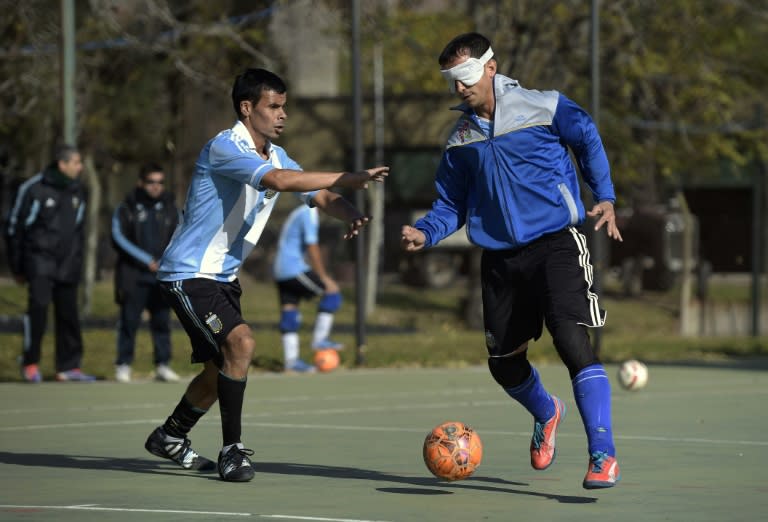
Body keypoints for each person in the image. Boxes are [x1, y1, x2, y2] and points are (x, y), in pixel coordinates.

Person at [400, 32, 624, 489]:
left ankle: (603, 453)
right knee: (504, 363)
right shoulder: (460, 139)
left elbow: (587, 138)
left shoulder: (544, 106)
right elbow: (452, 206)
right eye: (450, 79)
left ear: (490, 67)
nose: (459, 87)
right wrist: (426, 231)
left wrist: (605, 196)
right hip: (501, 259)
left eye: (464, 75)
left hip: (557, 242)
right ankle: (548, 411)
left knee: (571, 339)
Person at [143, 68, 388, 482]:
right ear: (246, 108)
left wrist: (349, 210)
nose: (282, 115)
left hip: (221, 276)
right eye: (273, 107)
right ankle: (233, 451)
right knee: (242, 343)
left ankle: (170, 436)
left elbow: (315, 192)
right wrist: (348, 176)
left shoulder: (275, 153)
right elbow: (281, 182)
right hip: (188, 273)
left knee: (218, 367)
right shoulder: (225, 147)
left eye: (284, 107)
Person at [5, 144, 95, 383]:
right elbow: (15, 228)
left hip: (68, 265)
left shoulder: (78, 190)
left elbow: (78, 231)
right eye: (76, 163)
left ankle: (68, 366)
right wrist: (18, 267)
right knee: (38, 312)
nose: (80, 167)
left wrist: (76, 261)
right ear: (62, 164)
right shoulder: (34, 188)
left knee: (69, 315)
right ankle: (31, 363)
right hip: (39, 263)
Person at [111, 163, 180, 383]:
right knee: (129, 321)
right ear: (142, 183)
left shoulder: (171, 208)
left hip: (162, 275)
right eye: (151, 182)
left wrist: (166, 261)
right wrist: (146, 260)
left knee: (162, 321)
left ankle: (162, 364)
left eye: (160, 182)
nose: (156, 187)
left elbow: (180, 236)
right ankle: (123, 364)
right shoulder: (126, 207)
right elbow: (118, 237)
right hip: (133, 275)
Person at [272, 204, 345, 373]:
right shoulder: (309, 212)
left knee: (289, 311)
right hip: (292, 268)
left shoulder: (298, 211)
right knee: (332, 292)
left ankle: (291, 362)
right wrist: (323, 277)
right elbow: (312, 246)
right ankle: (320, 339)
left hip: (280, 270)